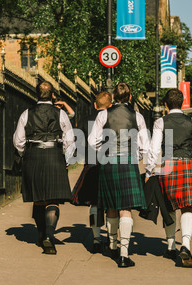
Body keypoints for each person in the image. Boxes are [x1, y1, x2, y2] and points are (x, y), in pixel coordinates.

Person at [88, 82, 149, 268]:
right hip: (128, 162)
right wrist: (134, 157)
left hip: (108, 162)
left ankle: (112, 246)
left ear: (113, 97)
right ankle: (123, 254)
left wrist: (104, 153)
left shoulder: (103, 114)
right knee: (126, 208)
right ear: (130, 98)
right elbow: (144, 145)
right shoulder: (137, 117)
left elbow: (92, 141)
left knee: (111, 206)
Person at [145, 88, 192, 268]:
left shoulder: (160, 122)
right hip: (187, 163)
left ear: (165, 104)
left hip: (168, 165)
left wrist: (150, 171)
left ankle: (171, 247)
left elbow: (154, 149)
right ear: (182, 103)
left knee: (168, 205)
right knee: (188, 207)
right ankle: (185, 245)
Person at [13, 80, 75, 255]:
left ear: (36, 93)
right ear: (53, 94)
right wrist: (66, 160)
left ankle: (41, 235)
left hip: (33, 155)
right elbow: (70, 140)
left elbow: (18, 141)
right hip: (55, 155)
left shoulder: (27, 113)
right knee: (53, 199)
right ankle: (48, 235)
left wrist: (26, 154)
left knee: (38, 198)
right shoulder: (60, 113)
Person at [71, 91, 113, 253]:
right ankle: (112, 238)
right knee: (110, 203)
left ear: (95, 105)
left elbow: (79, 143)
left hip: (92, 163)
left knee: (94, 202)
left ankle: (96, 240)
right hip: (110, 162)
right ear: (110, 105)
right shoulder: (113, 117)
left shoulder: (86, 119)